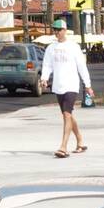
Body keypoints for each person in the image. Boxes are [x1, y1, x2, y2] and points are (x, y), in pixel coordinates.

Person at [40, 20, 92, 158]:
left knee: (66, 115)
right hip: (58, 86)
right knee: (68, 114)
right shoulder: (51, 48)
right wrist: (44, 78)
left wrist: (87, 85)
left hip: (71, 85)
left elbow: (82, 66)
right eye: (54, 30)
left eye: (59, 30)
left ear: (65, 30)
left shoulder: (73, 47)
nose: (56, 32)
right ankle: (80, 141)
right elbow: (47, 65)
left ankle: (63, 147)